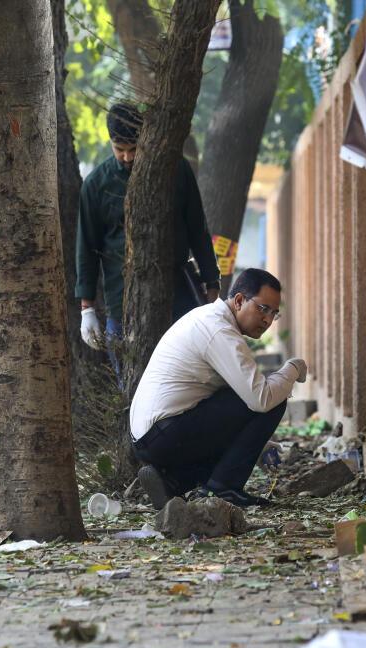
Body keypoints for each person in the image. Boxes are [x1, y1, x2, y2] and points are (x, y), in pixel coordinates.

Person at [129, 268, 307, 509]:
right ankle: (224, 489)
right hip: (164, 434)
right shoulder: (219, 331)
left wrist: (258, 445)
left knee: (254, 395)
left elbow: (235, 401)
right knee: (274, 398)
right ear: (239, 300)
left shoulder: (209, 318)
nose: (267, 320)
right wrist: (293, 369)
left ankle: (171, 482)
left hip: (151, 437)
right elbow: (261, 399)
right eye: (263, 309)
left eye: (274, 314)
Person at [75, 102, 221, 367]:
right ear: (110, 143)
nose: (128, 158)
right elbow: (86, 248)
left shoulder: (177, 170)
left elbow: (198, 229)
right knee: (131, 376)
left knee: (187, 372)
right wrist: (87, 309)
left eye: (134, 149)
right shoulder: (96, 185)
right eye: (120, 150)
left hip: (179, 293)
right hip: (121, 301)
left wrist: (212, 284)